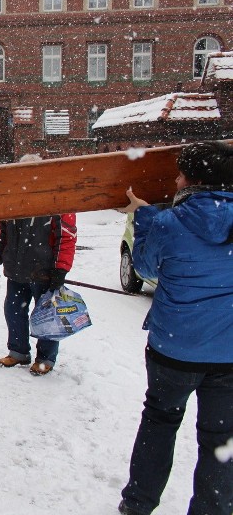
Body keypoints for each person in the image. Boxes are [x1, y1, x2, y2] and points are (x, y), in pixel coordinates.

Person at [116, 140, 233, 515]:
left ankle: (138, 503)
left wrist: (145, 216)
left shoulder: (169, 222)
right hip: (229, 353)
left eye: (181, 173)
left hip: (175, 349)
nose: (177, 179)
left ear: (192, 180)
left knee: (160, 421)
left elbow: (145, 269)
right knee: (220, 437)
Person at [0, 154, 77, 376]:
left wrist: (61, 269)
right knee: (13, 310)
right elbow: (3, 231)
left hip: (44, 271)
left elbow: (67, 237)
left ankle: (46, 358)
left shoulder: (56, 199)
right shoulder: (12, 199)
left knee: (46, 316)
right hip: (17, 269)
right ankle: (18, 352)